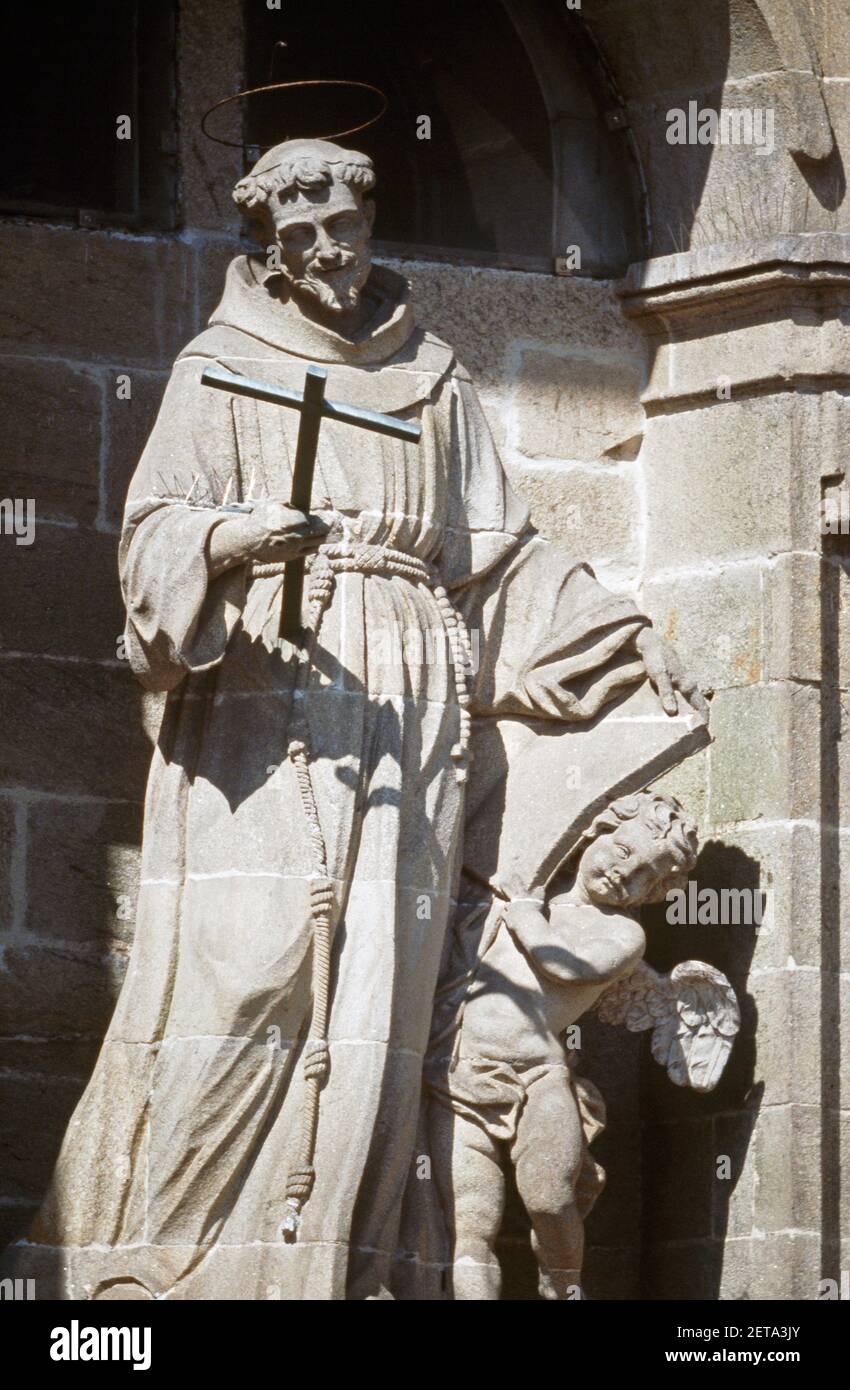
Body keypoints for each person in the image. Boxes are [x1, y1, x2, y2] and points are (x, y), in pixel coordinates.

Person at [25, 140, 705, 1301]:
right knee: (249, 964)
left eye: (344, 224)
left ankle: (340, 1265)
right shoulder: (218, 365)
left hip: (409, 694)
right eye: (300, 236)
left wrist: (619, 633)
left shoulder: (433, 375)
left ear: (370, 220)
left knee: (380, 978)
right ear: (269, 246)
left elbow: (496, 559)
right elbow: (153, 534)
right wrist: (231, 543)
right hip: (263, 680)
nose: (327, 250)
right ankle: (161, 1267)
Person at [427, 792, 699, 1300]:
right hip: (460, 1073)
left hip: (538, 1077)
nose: (626, 874)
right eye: (622, 853)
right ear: (595, 832)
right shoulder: (529, 888)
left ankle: (562, 1288)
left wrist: (525, 910)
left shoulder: (622, 933)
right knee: (470, 1225)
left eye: (645, 874)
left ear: (656, 891)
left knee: (550, 1200)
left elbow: (568, 968)